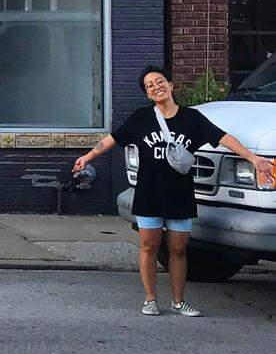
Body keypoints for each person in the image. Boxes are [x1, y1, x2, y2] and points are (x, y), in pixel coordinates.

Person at [72, 65, 274, 318]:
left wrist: (254, 159)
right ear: (147, 94)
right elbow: (113, 138)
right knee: (149, 246)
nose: (156, 86)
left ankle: (179, 302)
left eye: (159, 81)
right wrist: (88, 156)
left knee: (178, 249)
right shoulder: (141, 118)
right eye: (150, 85)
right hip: (149, 193)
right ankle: (150, 300)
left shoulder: (191, 119)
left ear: (170, 85)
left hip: (179, 194)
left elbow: (223, 138)